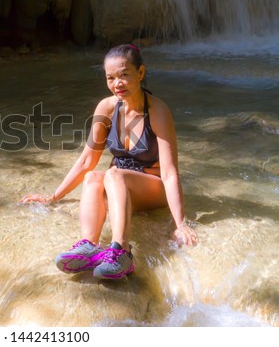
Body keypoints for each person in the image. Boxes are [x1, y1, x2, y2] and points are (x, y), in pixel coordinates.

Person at [20, 44, 198, 280]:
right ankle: (88, 247)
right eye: (111, 78)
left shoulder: (157, 111)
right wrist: (53, 197)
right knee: (94, 177)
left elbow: (169, 173)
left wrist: (180, 223)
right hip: (120, 186)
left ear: (141, 73)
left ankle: (122, 252)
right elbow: (87, 161)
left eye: (124, 75)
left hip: (153, 187)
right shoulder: (106, 107)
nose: (117, 83)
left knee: (113, 173)